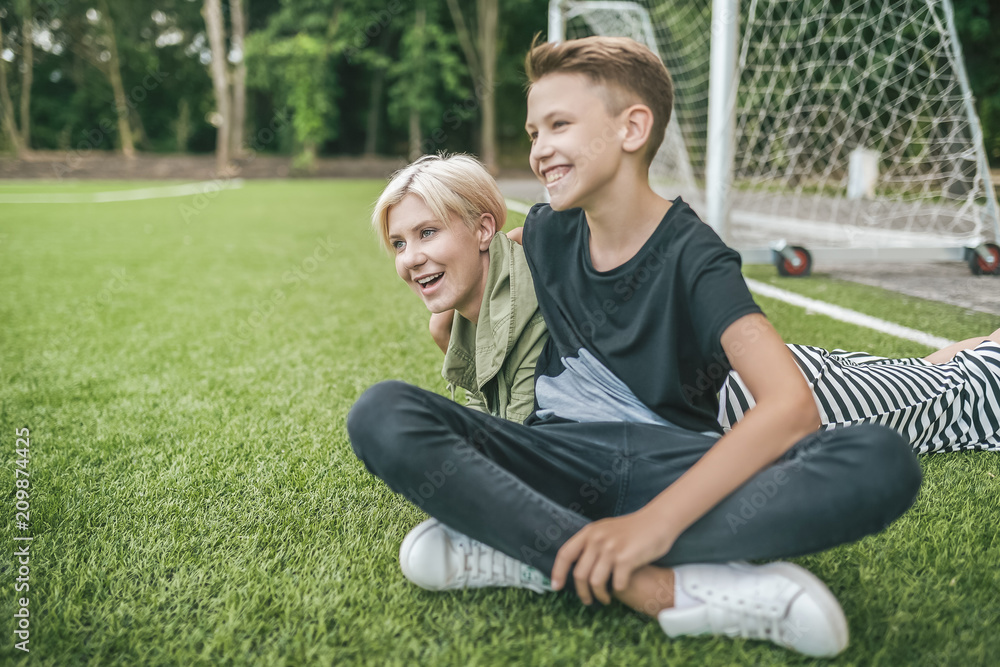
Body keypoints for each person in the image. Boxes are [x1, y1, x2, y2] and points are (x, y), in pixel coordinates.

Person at [348, 36, 922, 658]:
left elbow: (790, 407)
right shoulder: (542, 233)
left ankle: (527, 550)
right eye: (533, 132)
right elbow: (481, 279)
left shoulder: (695, 256)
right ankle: (664, 590)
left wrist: (651, 527)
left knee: (879, 458)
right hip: (555, 462)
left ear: (632, 128)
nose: (538, 151)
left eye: (557, 126)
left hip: (669, 468)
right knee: (381, 413)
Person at [370, 152, 547, 425]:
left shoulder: (532, 315)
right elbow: (485, 418)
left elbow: (519, 448)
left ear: (483, 230)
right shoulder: (468, 315)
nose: (410, 259)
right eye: (399, 244)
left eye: (427, 232)